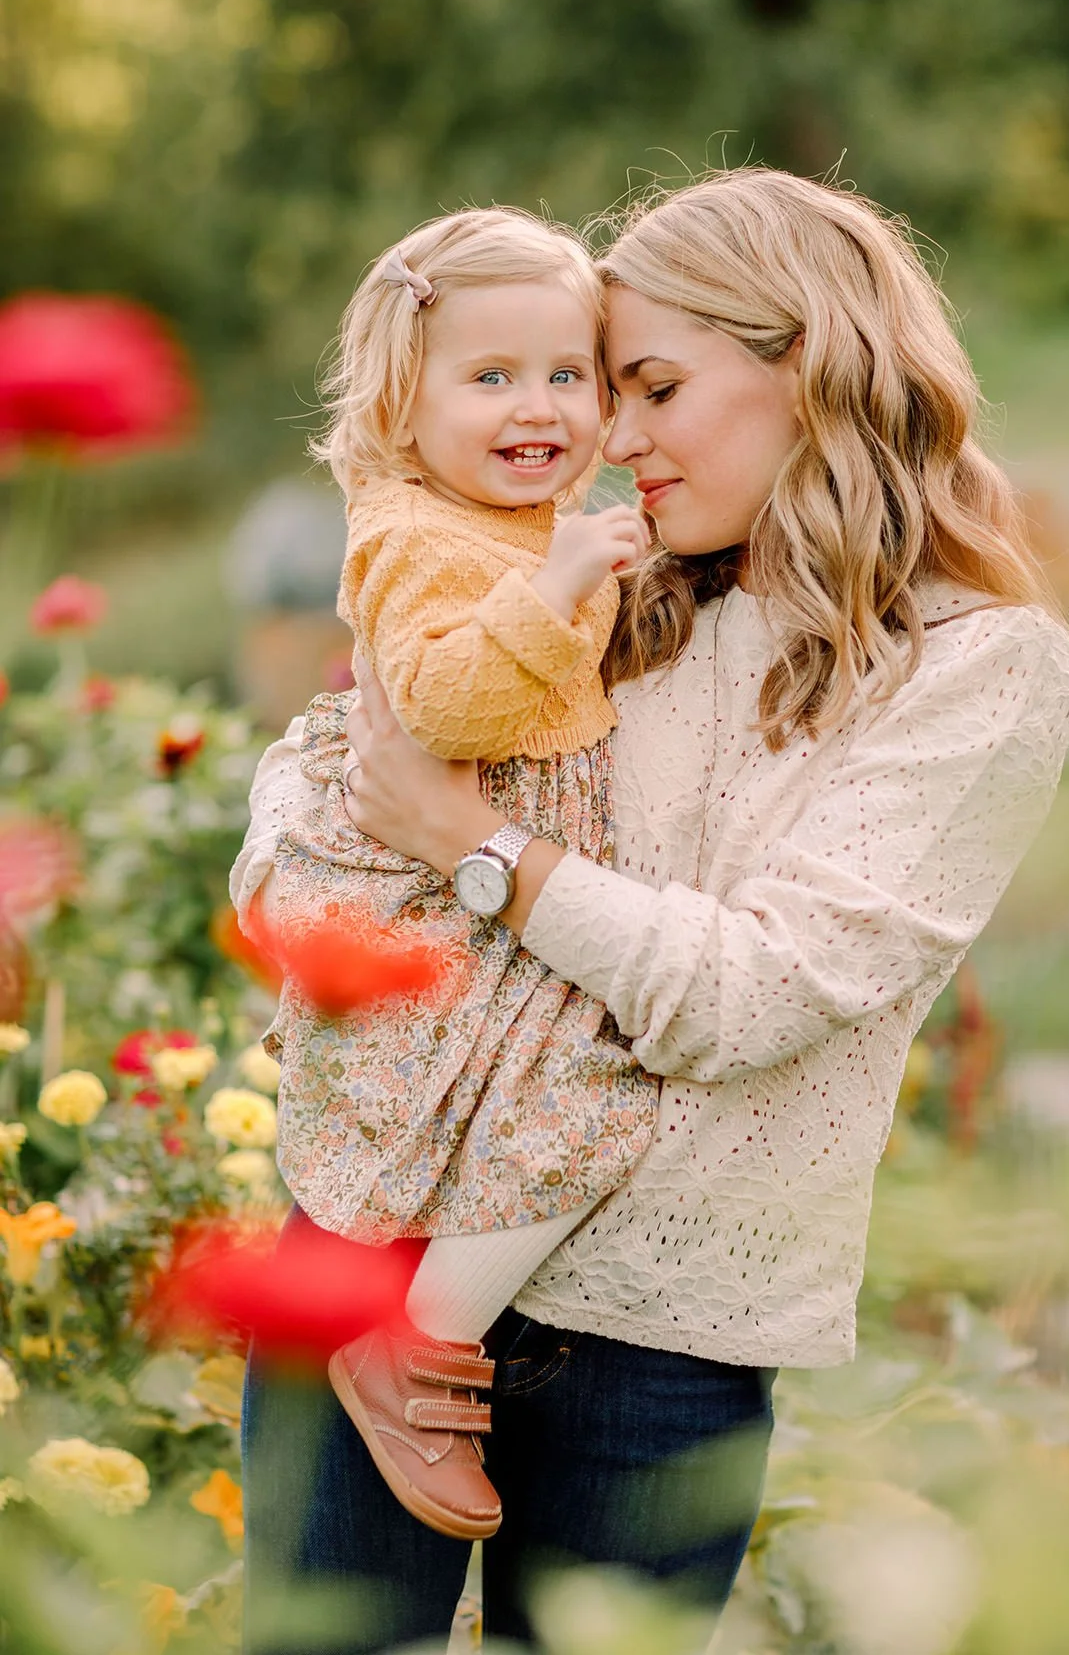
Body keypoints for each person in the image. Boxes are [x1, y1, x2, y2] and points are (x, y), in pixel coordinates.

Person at [232, 168, 1069, 1654]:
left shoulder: (982, 670)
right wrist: (314, 890)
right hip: (369, 1245)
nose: (608, 438)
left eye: (648, 386)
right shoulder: (602, 584)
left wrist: (472, 847)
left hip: (660, 1331)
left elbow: (754, 994)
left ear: (807, 364)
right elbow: (328, 757)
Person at [258, 206, 655, 1541]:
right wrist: (555, 592)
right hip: (433, 876)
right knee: (569, 1104)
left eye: (568, 374)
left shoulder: (542, 516)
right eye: (490, 378)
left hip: (501, 861)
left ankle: (416, 1322)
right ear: (399, 402)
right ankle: (414, 1345)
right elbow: (442, 709)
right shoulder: (415, 534)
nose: (538, 407)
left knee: (533, 1103)